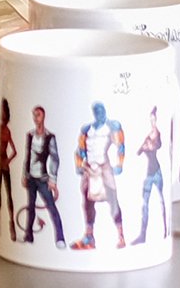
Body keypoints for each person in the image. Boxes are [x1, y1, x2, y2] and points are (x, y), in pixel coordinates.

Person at [73, 101, 127, 250]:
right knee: (87, 201)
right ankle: (89, 236)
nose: (99, 113)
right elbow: (80, 149)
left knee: (112, 200)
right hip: (90, 168)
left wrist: (119, 164)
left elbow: (120, 146)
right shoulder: (87, 129)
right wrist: (79, 164)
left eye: (101, 110)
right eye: (96, 110)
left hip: (104, 167)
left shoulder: (111, 127)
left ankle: (121, 235)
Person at [23, 106, 65, 247]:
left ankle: (60, 238)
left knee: (51, 207)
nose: (36, 118)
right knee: (31, 207)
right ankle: (28, 235)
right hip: (31, 177)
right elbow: (27, 155)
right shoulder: (30, 135)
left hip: (42, 178)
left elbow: (55, 158)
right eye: (34, 115)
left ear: (43, 117)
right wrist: (24, 174)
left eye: (38, 115)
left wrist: (53, 179)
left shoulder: (49, 137)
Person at [134, 105, 167, 244]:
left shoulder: (156, 134)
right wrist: (144, 145)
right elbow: (139, 151)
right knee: (144, 203)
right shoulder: (149, 136)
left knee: (161, 200)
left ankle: (166, 229)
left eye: (153, 119)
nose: (152, 121)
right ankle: (143, 235)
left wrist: (147, 145)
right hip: (149, 172)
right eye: (150, 119)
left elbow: (156, 145)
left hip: (156, 171)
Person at [0, 98, 18, 237]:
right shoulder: (0, 129)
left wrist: (7, 161)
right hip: (0, 163)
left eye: (5, 113)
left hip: (3, 163)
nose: (3, 116)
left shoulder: (6, 131)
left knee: (8, 194)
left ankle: (12, 223)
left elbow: (14, 151)